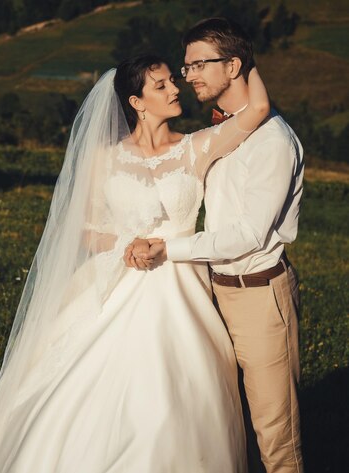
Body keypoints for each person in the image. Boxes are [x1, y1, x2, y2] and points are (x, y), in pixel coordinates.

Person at [0, 49, 271, 472]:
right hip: (119, 279)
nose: (176, 88)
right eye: (162, 85)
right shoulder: (105, 157)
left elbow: (259, 107)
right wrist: (125, 244)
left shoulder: (197, 147)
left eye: (174, 79)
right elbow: (83, 229)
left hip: (182, 290)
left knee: (175, 401)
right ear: (136, 103)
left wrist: (239, 56)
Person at [130, 18, 304, 473]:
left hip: (258, 296)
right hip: (212, 293)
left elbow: (247, 234)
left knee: (275, 434)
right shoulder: (224, 131)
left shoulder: (273, 142)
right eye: (186, 68)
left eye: (198, 65)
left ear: (233, 66)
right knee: (227, 422)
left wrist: (169, 249)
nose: (188, 78)